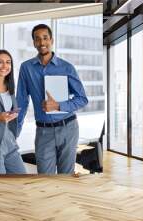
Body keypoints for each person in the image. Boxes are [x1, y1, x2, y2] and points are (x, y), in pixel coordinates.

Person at [16, 24, 88, 175]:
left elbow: (82, 99)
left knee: (66, 177)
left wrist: (58, 106)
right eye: (37, 39)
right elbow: (21, 102)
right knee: (44, 179)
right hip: (43, 132)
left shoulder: (67, 67)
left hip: (68, 128)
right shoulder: (26, 68)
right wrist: (14, 131)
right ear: (34, 43)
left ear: (52, 40)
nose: (42, 43)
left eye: (45, 38)